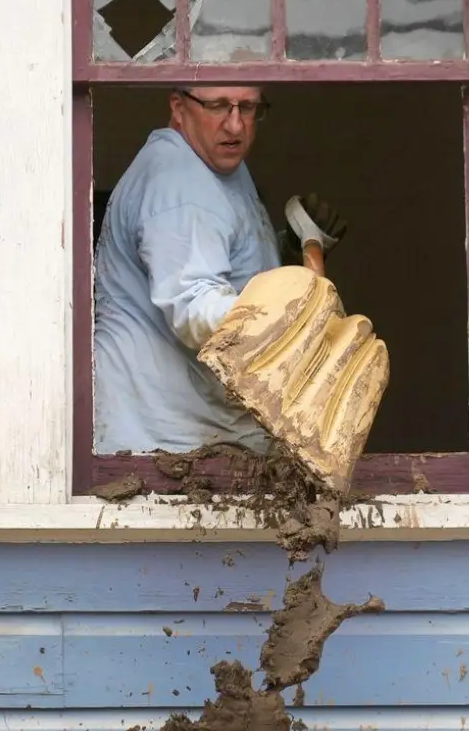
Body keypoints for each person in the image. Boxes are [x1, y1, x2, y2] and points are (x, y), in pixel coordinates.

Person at [92, 86, 346, 455]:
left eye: (248, 108)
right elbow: (193, 307)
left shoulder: (216, 162)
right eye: (217, 106)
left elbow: (226, 269)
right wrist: (289, 317)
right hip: (162, 444)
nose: (235, 125)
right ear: (179, 107)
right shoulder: (179, 183)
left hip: (193, 430)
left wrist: (293, 248)